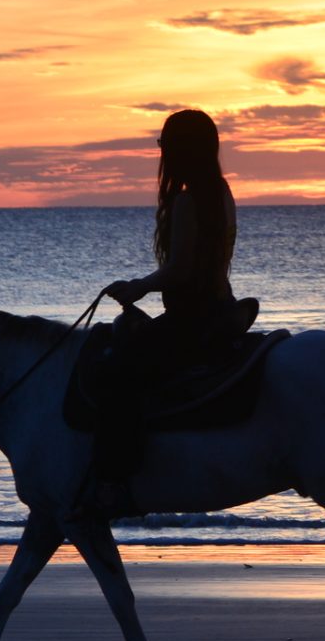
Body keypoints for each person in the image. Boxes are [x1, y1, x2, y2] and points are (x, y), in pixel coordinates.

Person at [87, 109, 240, 513]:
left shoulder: (189, 203)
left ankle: (116, 480)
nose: (161, 153)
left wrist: (135, 288)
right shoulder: (222, 194)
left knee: (117, 374)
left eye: (164, 145)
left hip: (192, 320)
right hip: (220, 310)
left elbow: (180, 270)